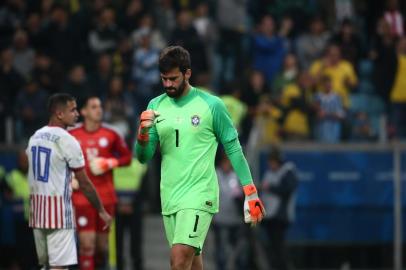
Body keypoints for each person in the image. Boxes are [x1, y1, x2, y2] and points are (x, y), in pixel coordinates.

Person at [135, 45, 266, 270]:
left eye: (173, 78)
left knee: (178, 260)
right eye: (163, 79)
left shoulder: (211, 105)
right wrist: (143, 135)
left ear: (187, 73)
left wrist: (250, 192)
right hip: (170, 195)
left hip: (199, 193)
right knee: (191, 263)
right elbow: (143, 157)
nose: (168, 84)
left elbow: (234, 149)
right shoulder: (155, 105)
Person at [26, 93, 112, 269]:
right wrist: (101, 211)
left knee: (45, 265)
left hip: (37, 212)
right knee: (59, 267)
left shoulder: (35, 136)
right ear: (59, 114)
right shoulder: (67, 140)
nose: (77, 114)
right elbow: (85, 184)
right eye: (72, 110)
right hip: (58, 214)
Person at [69, 96, 132, 270]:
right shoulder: (72, 135)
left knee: (101, 247)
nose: (99, 110)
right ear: (83, 111)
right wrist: (69, 179)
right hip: (81, 198)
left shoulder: (111, 134)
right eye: (94, 106)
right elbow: (58, 160)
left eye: (100, 106)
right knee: (86, 245)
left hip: (105, 198)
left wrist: (110, 162)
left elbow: (127, 158)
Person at [260, 147, 298, 270]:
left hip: (280, 215)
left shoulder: (288, 171)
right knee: (273, 247)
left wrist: (270, 188)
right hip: (269, 216)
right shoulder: (270, 173)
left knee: (279, 247)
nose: (270, 164)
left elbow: (287, 189)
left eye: (272, 162)